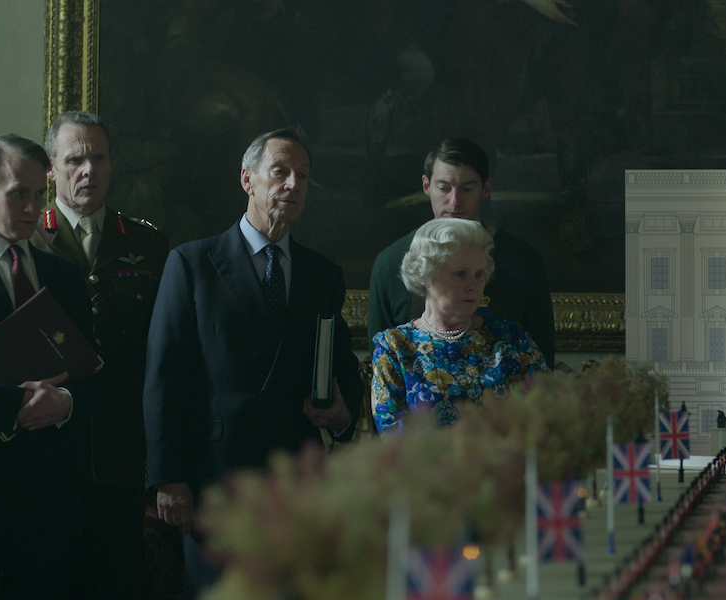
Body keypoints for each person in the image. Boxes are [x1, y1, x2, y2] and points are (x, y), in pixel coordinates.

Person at [143, 128, 363, 597]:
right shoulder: (193, 263)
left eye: (302, 176)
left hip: (297, 481)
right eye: (280, 172)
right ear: (248, 179)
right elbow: (164, 377)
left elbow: (341, 366)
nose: (293, 184)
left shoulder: (322, 274)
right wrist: (168, 477)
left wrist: (343, 415)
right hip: (214, 479)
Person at [31, 110, 169, 599]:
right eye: (74, 160)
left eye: (98, 158)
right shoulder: (27, 240)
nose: (87, 170)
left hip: (122, 452)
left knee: (118, 581)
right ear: (51, 169)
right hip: (47, 455)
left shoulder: (149, 245)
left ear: (112, 165)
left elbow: (163, 355)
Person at [0, 134, 98, 599]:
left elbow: (93, 375)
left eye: (38, 194)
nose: (32, 206)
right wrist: (19, 405)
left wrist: (64, 403)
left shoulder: (64, 274)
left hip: (48, 498)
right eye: (17, 193)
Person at [367, 138, 555, 366]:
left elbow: (542, 364)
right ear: (426, 186)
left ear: (486, 188)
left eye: (467, 189)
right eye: (444, 188)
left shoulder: (523, 261)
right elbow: (380, 363)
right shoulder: (391, 262)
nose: (454, 202)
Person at [370, 218, 548, 431]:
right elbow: (393, 437)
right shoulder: (395, 348)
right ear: (425, 275)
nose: (473, 285)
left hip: (507, 462)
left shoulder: (513, 340)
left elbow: (548, 418)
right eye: (460, 274)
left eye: (479, 274)